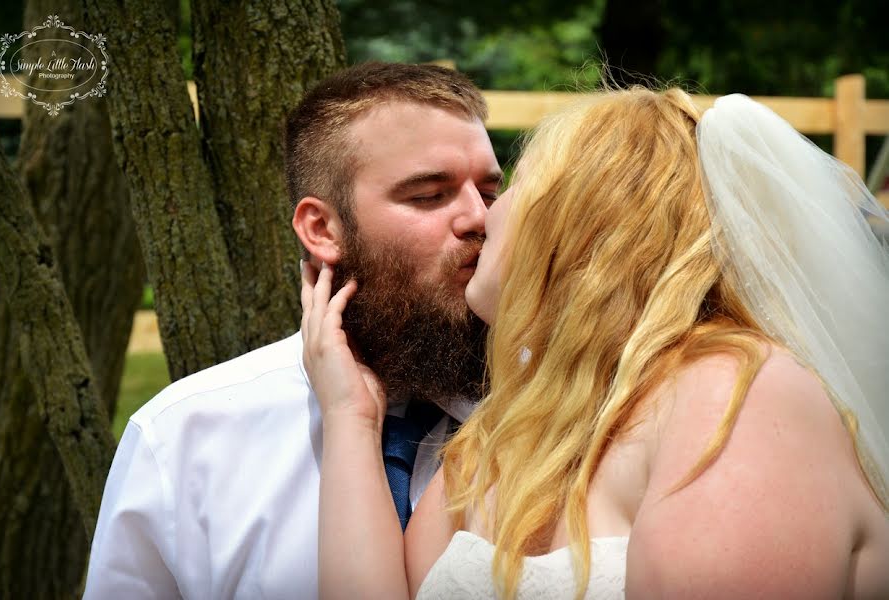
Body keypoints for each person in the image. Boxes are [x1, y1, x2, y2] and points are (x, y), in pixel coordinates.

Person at [302, 87, 889, 598]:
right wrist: (350, 416)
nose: (483, 218)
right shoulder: (501, 434)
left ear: (580, 224)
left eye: (508, 186)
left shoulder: (737, 390)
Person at [82, 62, 502, 599]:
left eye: (490, 191)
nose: (477, 218)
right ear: (322, 229)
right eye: (428, 195)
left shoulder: (566, 415)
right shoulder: (188, 436)